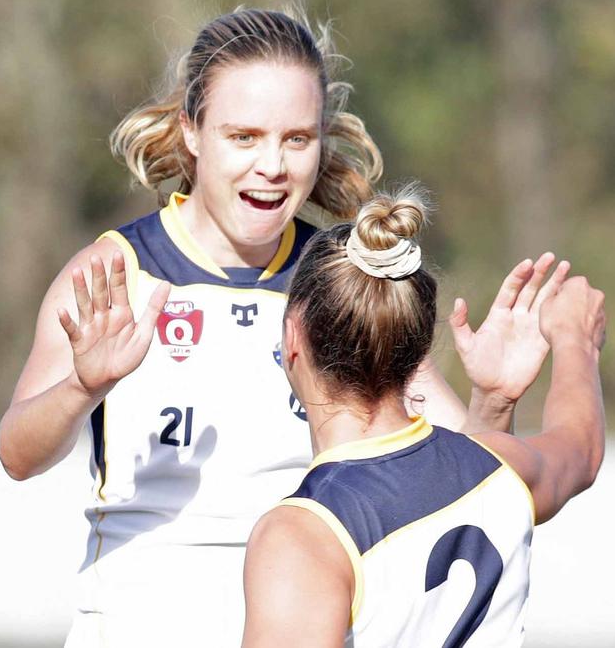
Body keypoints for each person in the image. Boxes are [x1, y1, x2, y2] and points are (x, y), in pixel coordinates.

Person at [0, 7, 482, 648]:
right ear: (192, 132)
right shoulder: (116, 271)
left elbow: (472, 466)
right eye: (244, 136)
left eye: (296, 138)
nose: (273, 165)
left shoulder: (343, 281)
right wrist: (81, 388)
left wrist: (495, 402)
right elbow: (17, 455)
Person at [241, 189, 605, 648]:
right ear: (416, 345)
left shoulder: (304, 536)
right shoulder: (498, 464)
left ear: (293, 334)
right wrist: (574, 338)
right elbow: (583, 448)